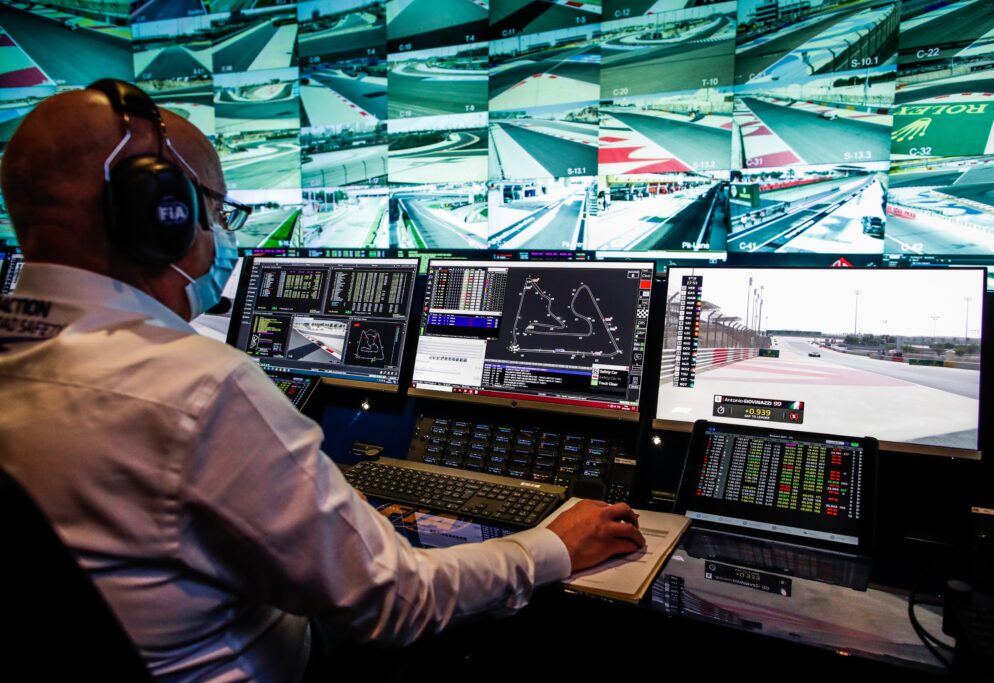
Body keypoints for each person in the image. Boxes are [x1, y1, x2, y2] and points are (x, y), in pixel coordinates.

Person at [0, 81, 644, 681]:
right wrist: (552, 547)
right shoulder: (195, 386)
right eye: (216, 210)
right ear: (160, 214)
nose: (222, 236)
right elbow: (398, 603)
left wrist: (320, 518)